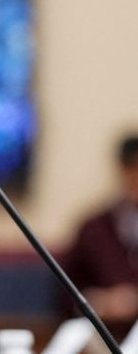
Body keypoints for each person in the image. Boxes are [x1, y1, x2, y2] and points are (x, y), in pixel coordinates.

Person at [60, 133, 138, 330]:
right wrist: (98, 302)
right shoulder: (94, 229)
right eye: (132, 169)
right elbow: (66, 294)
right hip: (105, 335)